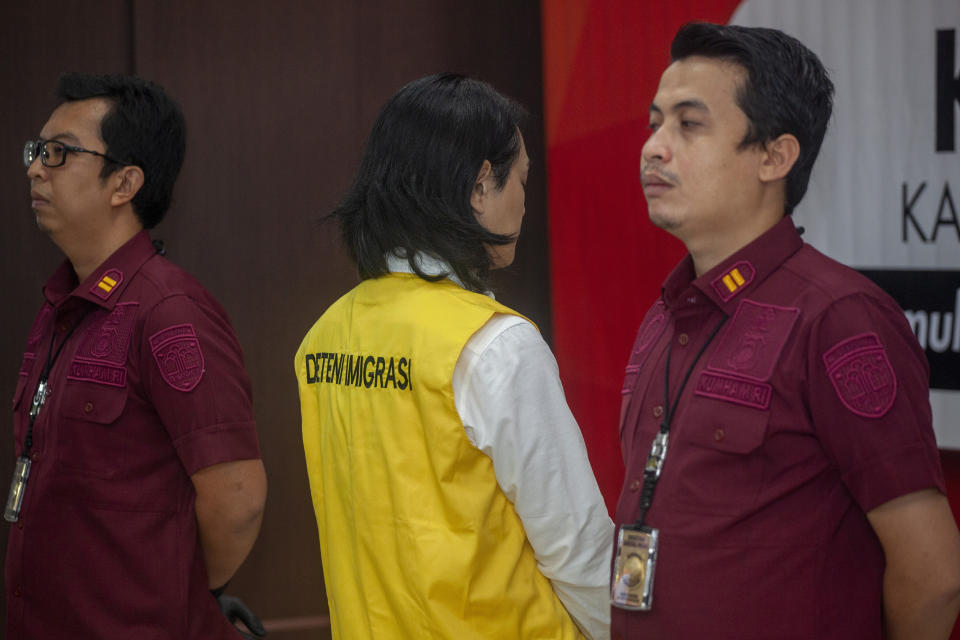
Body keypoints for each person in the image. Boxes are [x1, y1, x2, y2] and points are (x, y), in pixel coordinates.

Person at [613, 22, 960, 640]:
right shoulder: (665, 317)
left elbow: (934, 572)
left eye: (689, 124)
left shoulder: (838, 317)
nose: (654, 147)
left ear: (774, 156)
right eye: (655, 122)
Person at [295, 73, 613, 639]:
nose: (523, 198)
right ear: (479, 186)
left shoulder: (322, 338)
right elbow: (578, 549)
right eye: (521, 178)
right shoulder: (496, 344)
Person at [9, 73, 267, 639]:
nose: (35, 168)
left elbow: (239, 499)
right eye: (35, 151)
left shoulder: (170, 311)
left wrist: (181, 587)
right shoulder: (61, 304)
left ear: (124, 183)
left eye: (59, 154)